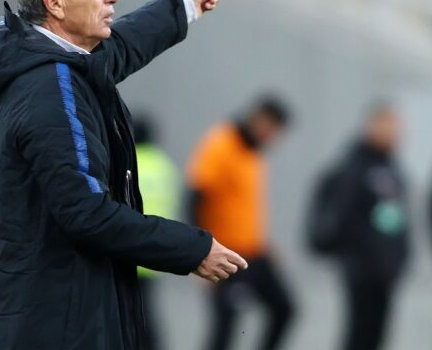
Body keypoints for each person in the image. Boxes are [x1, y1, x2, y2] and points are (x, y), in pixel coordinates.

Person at [0, 0, 248, 350]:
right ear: (55, 3)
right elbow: (87, 213)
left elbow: (122, 46)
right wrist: (193, 249)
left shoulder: (55, 62)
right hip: (56, 330)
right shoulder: (52, 87)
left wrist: (185, 2)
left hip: (58, 317)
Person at [187, 96, 296, 350]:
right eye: (271, 129)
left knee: (284, 308)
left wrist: (264, 242)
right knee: (226, 326)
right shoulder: (222, 144)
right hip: (224, 254)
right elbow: (196, 199)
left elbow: (242, 206)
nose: (272, 138)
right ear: (259, 120)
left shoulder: (254, 152)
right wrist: (197, 253)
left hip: (253, 253)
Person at [308, 102, 409, 350]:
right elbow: (339, 215)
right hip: (361, 267)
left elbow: (400, 219)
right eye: (387, 126)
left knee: (378, 333)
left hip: (387, 268)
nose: (393, 133)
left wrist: (401, 257)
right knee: (359, 333)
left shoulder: (392, 169)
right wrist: (349, 254)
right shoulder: (353, 167)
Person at [133, 114, 181, 350]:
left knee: (129, 312)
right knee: (146, 311)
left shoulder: (128, 162)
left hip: (126, 251)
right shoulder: (166, 166)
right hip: (156, 252)